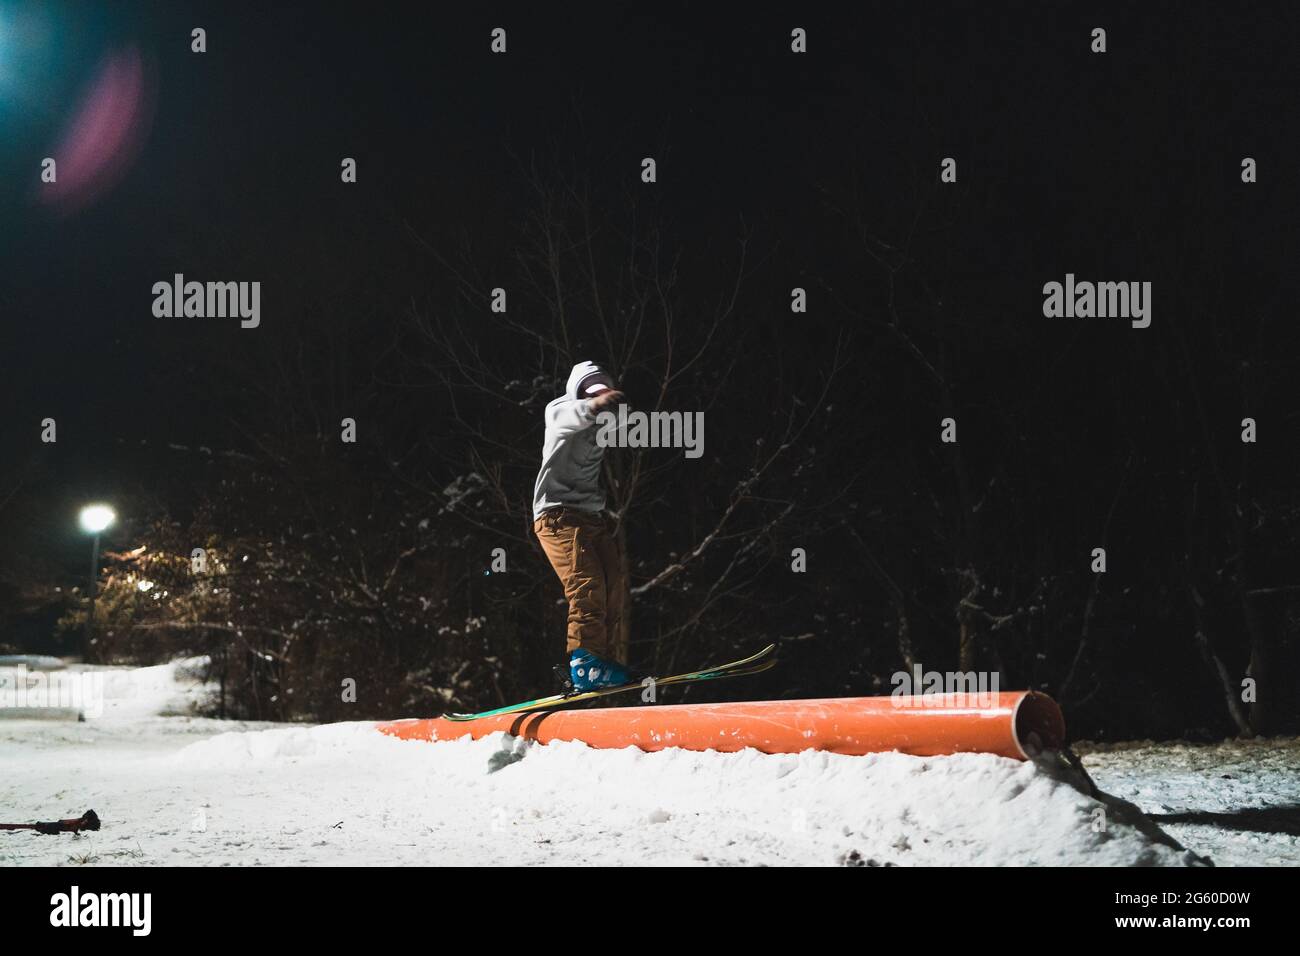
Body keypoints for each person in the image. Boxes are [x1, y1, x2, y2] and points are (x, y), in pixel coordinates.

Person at [532, 360, 633, 692]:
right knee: (586, 582)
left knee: (613, 583)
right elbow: (573, 413)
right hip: (557, 516)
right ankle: (585, 661)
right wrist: (596, 402)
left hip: (591, 519)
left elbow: (625, 421)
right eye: (593, 394)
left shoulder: (604, 425)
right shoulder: (560, 411)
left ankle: (601, 661)